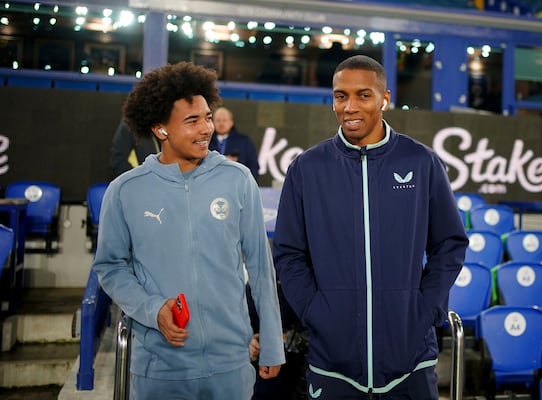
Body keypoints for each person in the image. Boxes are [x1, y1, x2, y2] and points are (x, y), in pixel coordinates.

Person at [272, 55, 468, 399]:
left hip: (409, 358)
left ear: (385, 99)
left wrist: (425, 309)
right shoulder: (306, 168)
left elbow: (449, 243)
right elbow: (289, 254)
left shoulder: (421, 162)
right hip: (332, 361)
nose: (349, 106)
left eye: (363, 95)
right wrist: (314, 312)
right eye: (340, 96)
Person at [92, 61, 285, 400]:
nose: (206, 128)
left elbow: (260, 268)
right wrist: (152, 309)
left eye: (208, 117)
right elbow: (110, 267)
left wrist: (270, 339)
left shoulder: (238, 180)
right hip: (159, 367)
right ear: (160, 128)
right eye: (192, 121)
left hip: (230, 363)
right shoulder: (125, 191)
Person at [209, 106, 260, 180]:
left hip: (236, 185)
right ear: (212, 122)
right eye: (218, 120)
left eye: (224, 120)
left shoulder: (244, 141)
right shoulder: (206, 141)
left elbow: (254, 167)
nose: (221, 123)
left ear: (231, 122)